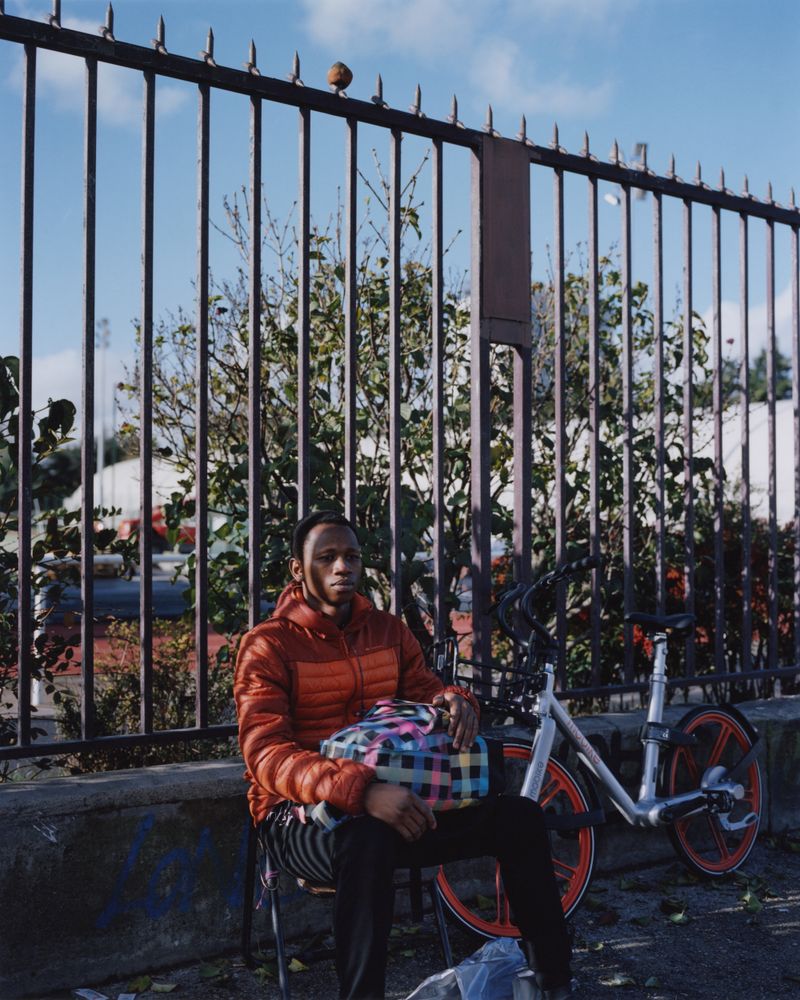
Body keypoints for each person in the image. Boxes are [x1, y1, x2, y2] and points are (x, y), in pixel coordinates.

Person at [234, 510, 574, 1000]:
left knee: (520, 816)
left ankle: (554, 984)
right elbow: (265, 755)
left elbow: (426, 694)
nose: (341, 568)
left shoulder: (389, 631)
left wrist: (456, 701)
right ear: (297, 570)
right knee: (366, 838)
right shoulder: (267, 646)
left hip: (408, 807)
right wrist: (363, 792)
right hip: (299, 820)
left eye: (350, 556)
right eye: (326, 558)